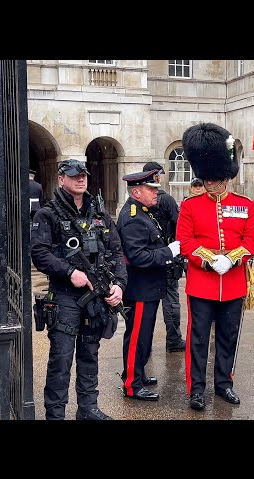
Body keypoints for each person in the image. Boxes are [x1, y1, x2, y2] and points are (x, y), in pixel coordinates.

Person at [30, 159, 127, 420]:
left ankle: (88, 409)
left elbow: (117, 253)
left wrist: (118, 285)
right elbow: (39, 253)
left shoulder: (100, 215)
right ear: (61, 179)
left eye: (83, 175)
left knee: (90, 353)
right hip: (65, 296)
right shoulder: (47, 215)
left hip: (96, 297)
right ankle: (56, 413)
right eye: (74, 176)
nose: (80, 180)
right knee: (61, 360)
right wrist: (69, 272)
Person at [176, 122, 254, 410]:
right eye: (206, 179)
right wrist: (212, 260)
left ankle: (224, 384)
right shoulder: (190, 206)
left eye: (214, 178)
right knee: (198, 339)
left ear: (225, 177)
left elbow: (252, 239)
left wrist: (233, 258)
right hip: (202, 283)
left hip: (234, 283)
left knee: (228, 338)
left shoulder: (244, 204)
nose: (209, 183)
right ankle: (196, 389)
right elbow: (185, 242)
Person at [116, 169, 182, 401]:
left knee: (144, 335)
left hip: (150, 286)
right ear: (137, 192)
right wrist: (168, 252)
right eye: (151, 189)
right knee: (137, 336)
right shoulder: (133, 217)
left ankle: (137, 373)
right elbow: (138, 257)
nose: (156, 193)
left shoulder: (144, 211)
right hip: (140, 287)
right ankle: (132, 385)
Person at [142, 161, 186, 353]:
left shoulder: (138, 202)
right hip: (166, 255)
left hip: (147, 258)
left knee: (147, 305)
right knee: (171, 301)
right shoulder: (166, 200)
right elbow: (179, 226)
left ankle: (146, 345)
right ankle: (174, 339)